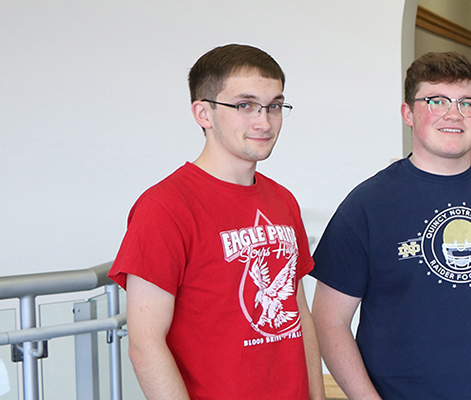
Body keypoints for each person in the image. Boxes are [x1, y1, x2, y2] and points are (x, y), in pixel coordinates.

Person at [310, 51, 471, 400]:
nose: (453, 114)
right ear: (408, 114)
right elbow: (329, 320)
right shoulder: (367, 205)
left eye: (467, 103)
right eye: (436, 100)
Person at [108, 44, 323, 399]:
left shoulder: (282, 200)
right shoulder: (164, 207)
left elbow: (298, 312)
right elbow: (146, 345)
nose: (264, 121)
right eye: (245, 105)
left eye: (274, 106)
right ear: (203, 113)